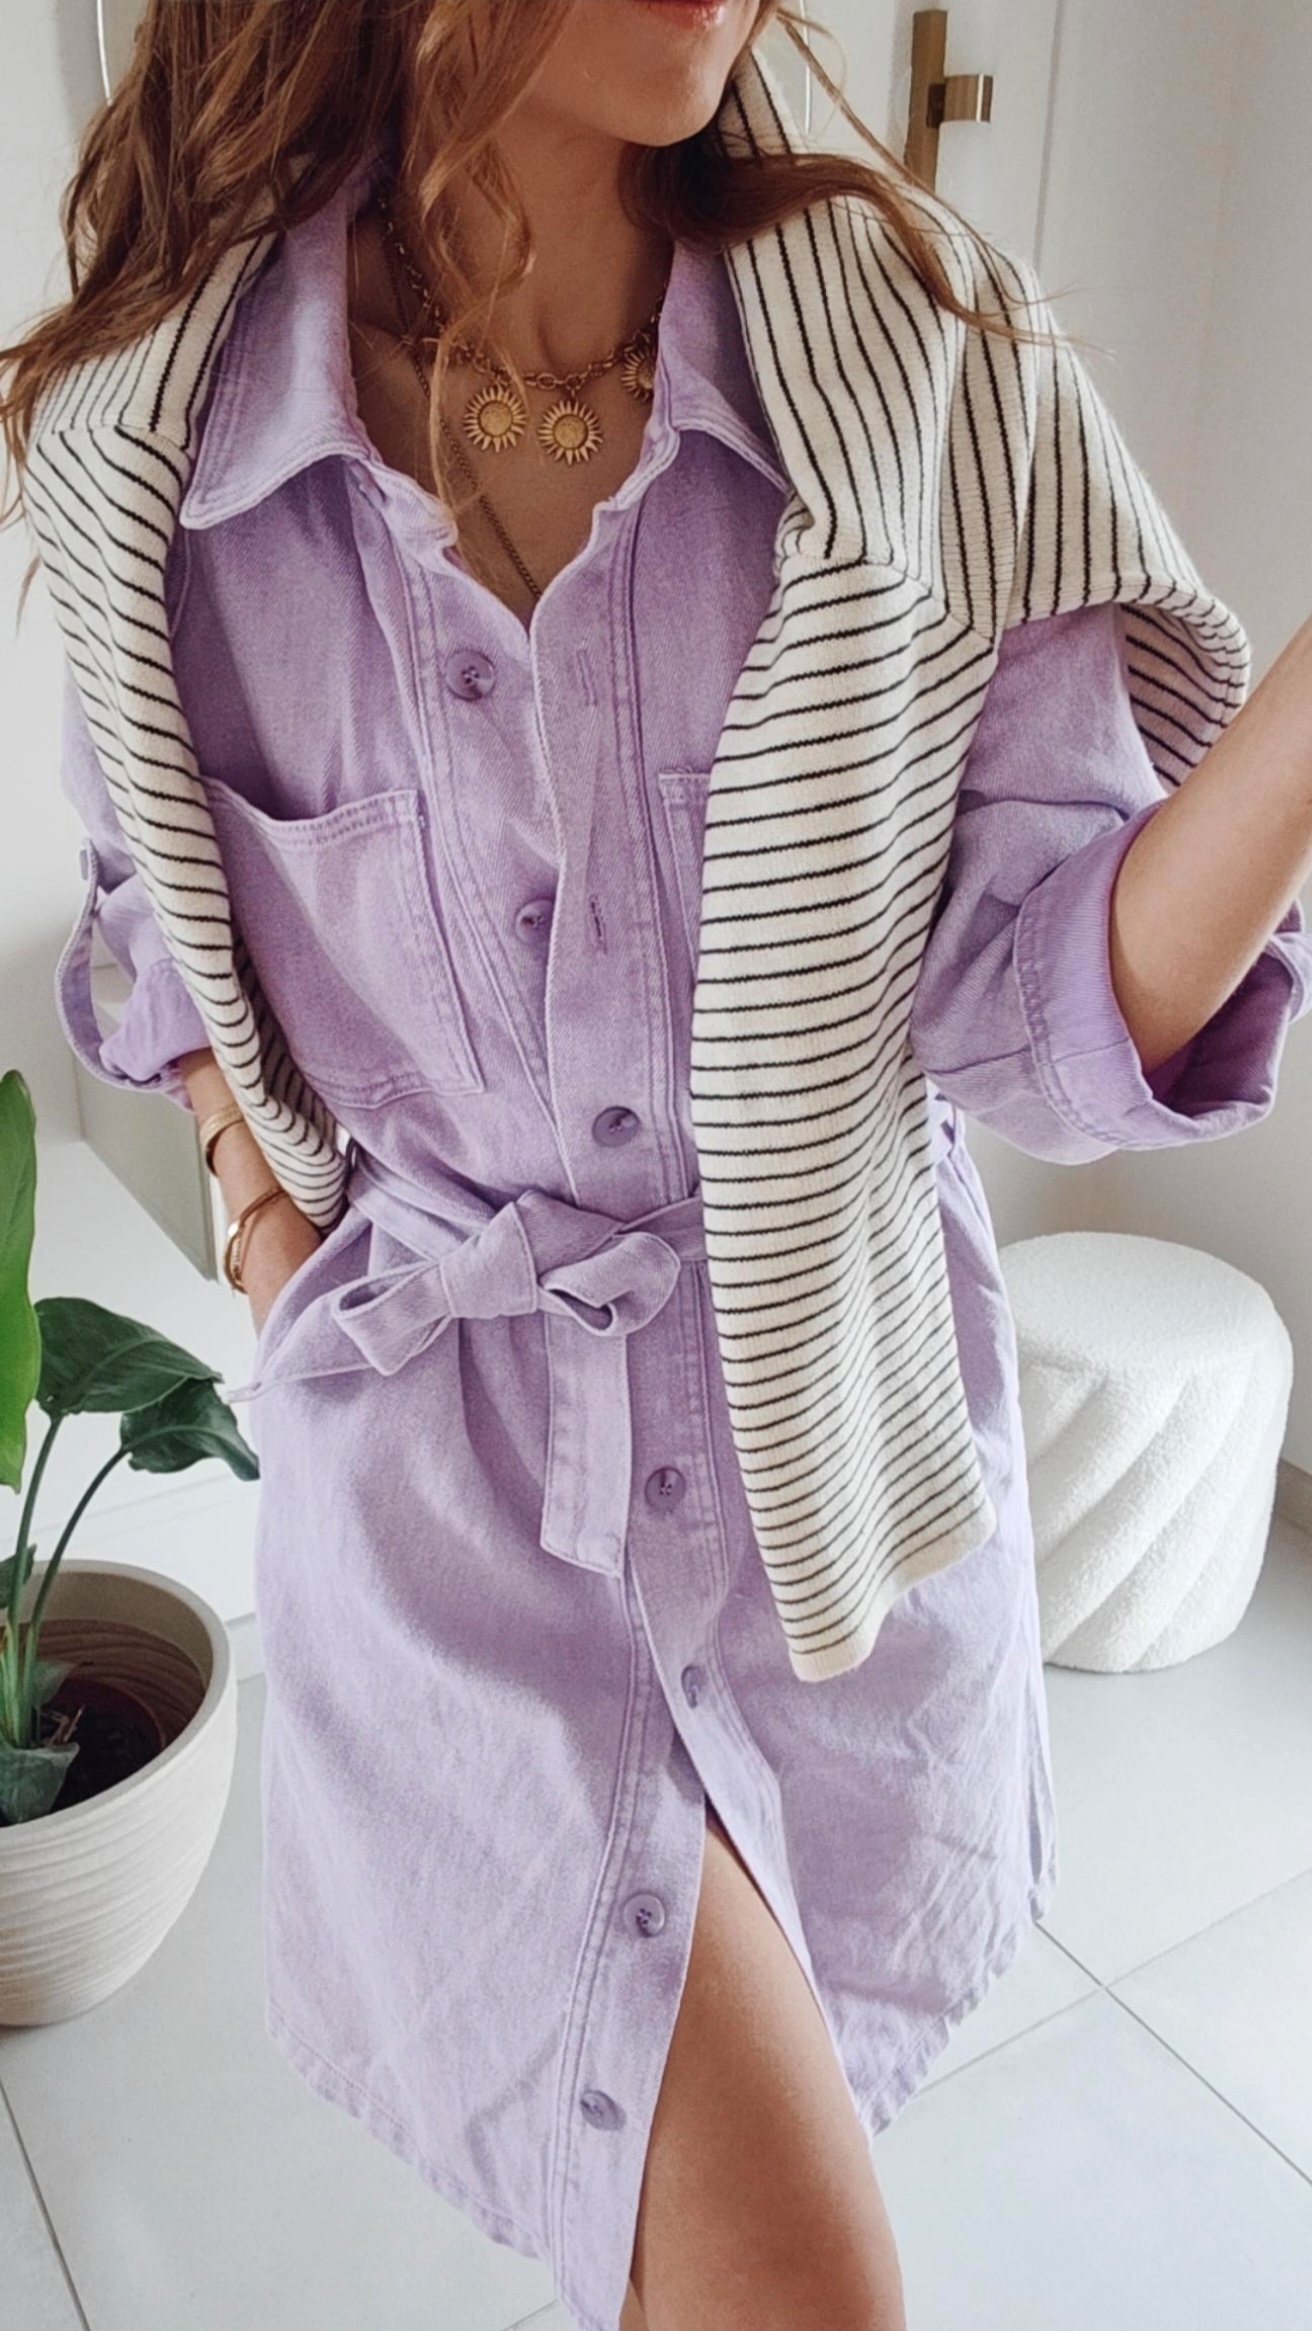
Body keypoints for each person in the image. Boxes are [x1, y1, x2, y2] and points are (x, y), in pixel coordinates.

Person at [5, 4, 1312, 2326]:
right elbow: (154, 911)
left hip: (827, 1486)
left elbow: (1027, 1005)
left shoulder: (924, 379)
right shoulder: (163, 459)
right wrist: (263, 1206)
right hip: (452, 1518)